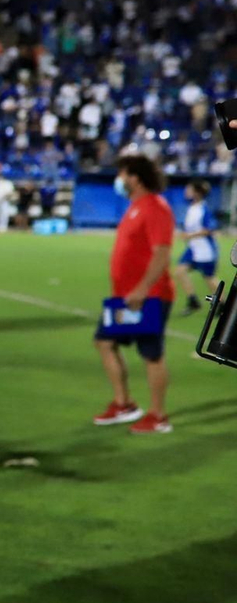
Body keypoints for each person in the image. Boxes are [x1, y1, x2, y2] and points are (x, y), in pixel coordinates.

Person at [93, 155, 175, 434]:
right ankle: (124, 404)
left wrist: (142, 288)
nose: (119, 179)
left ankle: (159, 416)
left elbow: (162, 252)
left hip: (149, 295)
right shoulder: (135, 207)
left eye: (122, 174)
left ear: (134, 177)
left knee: (151, 354)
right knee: (104, 342)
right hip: (126, 297)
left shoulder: (155, 207)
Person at [175, 179, 220, 317]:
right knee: (179, 271)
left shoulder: (203, 209)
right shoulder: (192, 208)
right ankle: (193, 300)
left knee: (209, 278)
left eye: (189, 189)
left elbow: (209, 229)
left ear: (196, 192)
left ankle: (223, 303)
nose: (186, 191)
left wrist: (189, 235)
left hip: (205, 250)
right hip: (193, 249)